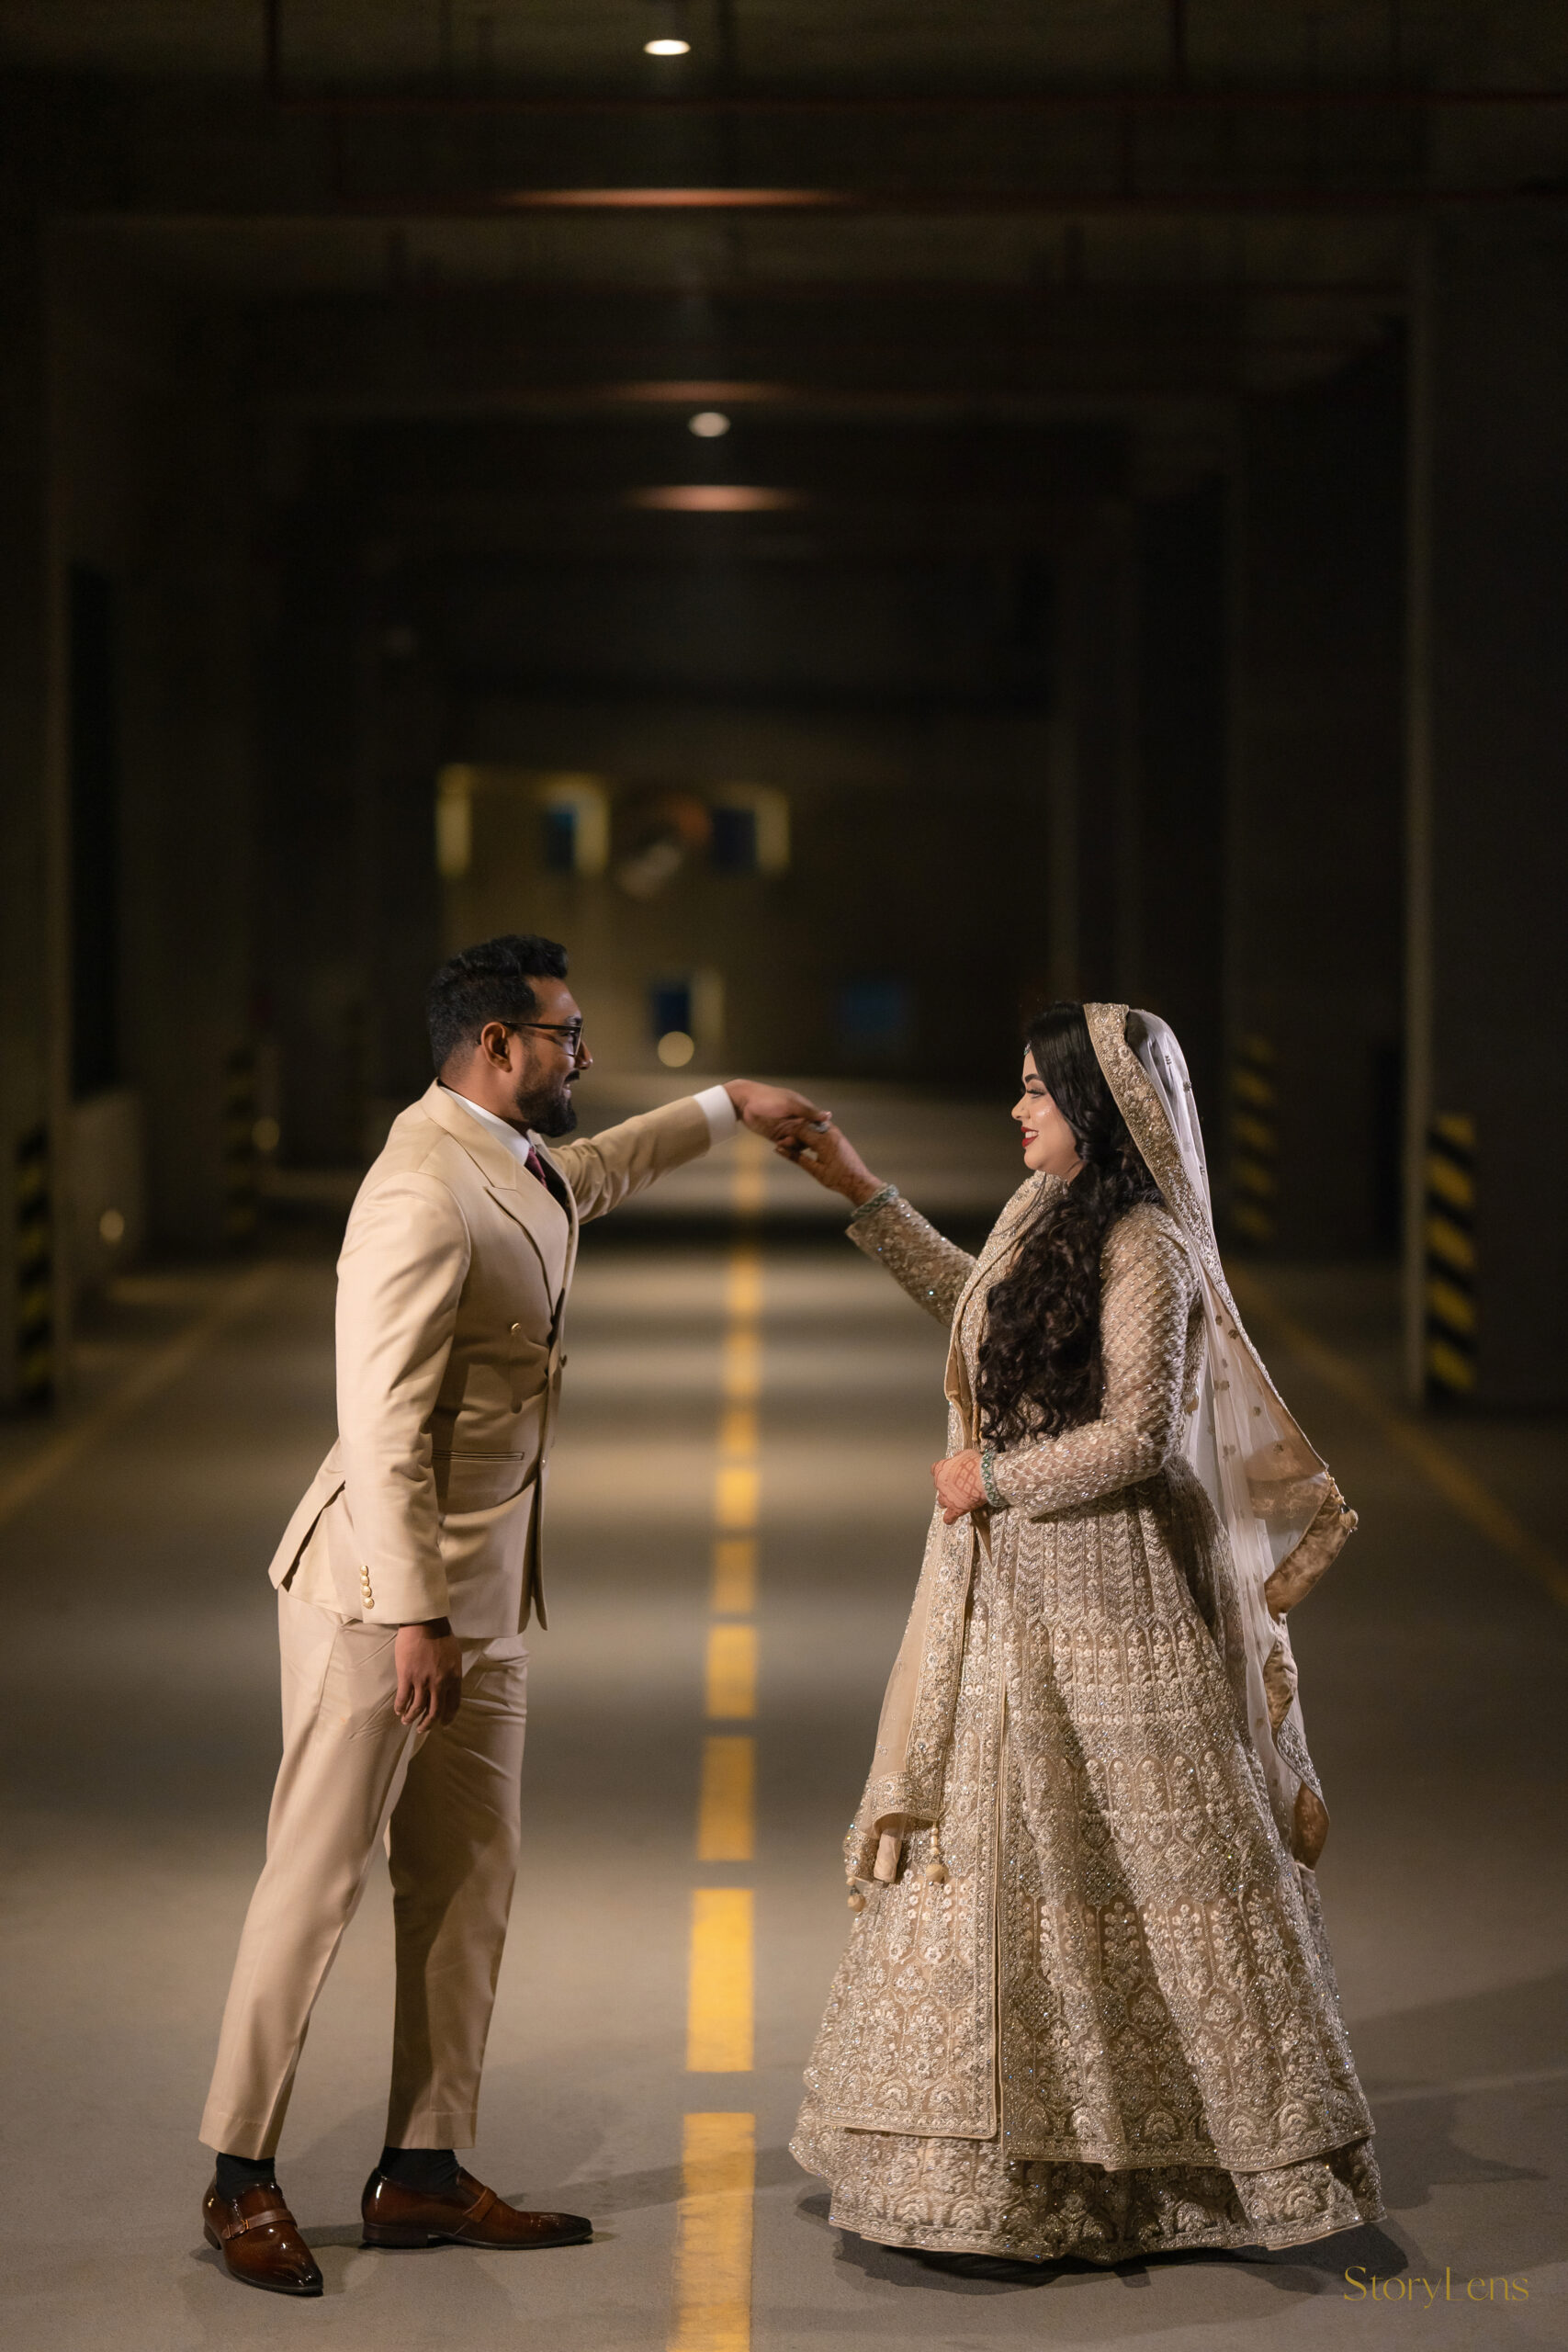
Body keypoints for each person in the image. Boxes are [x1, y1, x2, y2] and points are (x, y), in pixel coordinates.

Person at [199, 932, 827, 2297]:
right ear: (496, 1045)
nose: (580, 1053)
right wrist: (415, 1617)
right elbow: (378, 1425)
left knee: (470, 1878)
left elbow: (593, 1176)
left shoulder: (516, 1161)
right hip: (382, 1602)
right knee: (316, 1882)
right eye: (564, 1034)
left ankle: (422, 2167)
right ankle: (238, 2174)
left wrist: (730, 1108)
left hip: (481, 1599)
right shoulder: (418, 1190)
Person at [778, 1001, 1385, 2265]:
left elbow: (1140, 1439)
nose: (1018, 1110)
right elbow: (976, 1311)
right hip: (1008, 1595)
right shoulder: (1038, 1212)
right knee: (1003, 1856)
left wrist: (992, 1479)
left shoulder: (1149, 1243)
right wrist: (861, 1191)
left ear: (1096, 1111)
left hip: (1116, 1596)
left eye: (1037, 1093)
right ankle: (1001, 2166)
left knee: (1154, 1867)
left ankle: (1203, 2164)